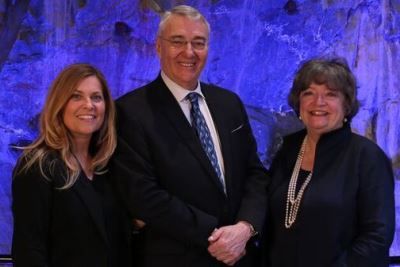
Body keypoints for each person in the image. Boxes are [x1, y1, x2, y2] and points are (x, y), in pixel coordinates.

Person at [112, 5, 268, 267]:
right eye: (177, 42)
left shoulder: (229, 103)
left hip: (240, 256)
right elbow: (144, 196)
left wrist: (245, 227)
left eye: (199, 43)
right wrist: (219, 235)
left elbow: (255, 173)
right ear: (158, 47)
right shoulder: (130, 111)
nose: (189, 52)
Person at [264, 57, 395, 267]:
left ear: (347, 105)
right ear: (299, 103)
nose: (318, 102)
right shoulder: (288, 151)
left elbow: (377, 236)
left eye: (330, 94)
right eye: (309, 93)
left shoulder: (367, 156)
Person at [12, 63, 131, 267]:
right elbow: (29, 252)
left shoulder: (109, 166)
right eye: (76, 96)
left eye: (96, 97)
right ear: (59, 104)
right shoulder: (37, 166)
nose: (89, 105)